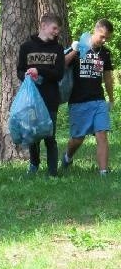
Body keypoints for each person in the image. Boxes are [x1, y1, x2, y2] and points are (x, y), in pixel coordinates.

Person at [62, 19, 115, 176]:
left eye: (107, 38)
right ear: (95, 30)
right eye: (102, 36)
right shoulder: (80, 47)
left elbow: (108, 78)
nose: (104, 40)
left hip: (98, 100)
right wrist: (74, 51)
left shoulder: (105, 53)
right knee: (78, 139)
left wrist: (111, 99)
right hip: (78, 101)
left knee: (102, 134)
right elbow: (61, 64)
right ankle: (67, 156)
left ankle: (103, 173)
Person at [17, 14, 65, 177]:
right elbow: (19, 70)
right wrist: (27, 75)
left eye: (58, 29)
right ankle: (34, 165)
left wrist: (40, 70)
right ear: (43, 25)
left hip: (50, 98)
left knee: (50, 136)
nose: (57, 32)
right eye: (54, 28)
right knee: (33, 134)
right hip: (31, 100)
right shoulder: (26, 47)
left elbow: (59, 74)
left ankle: (52, 173)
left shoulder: (58, 49)